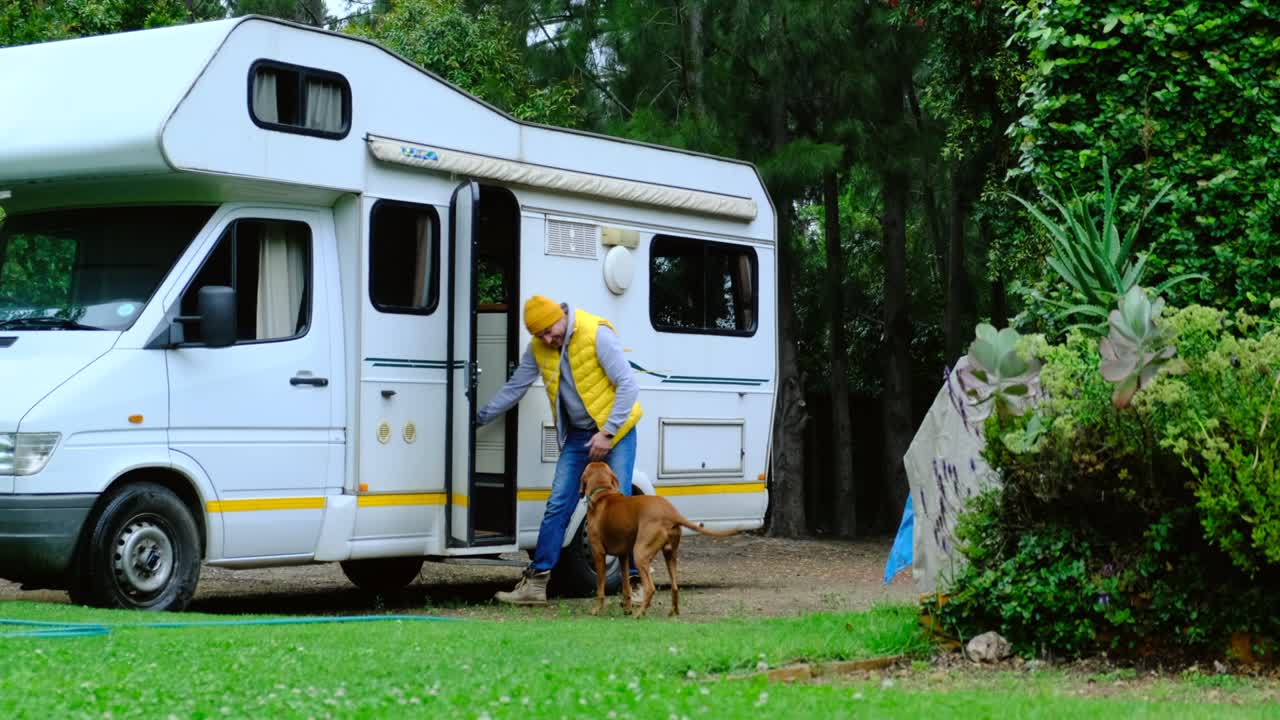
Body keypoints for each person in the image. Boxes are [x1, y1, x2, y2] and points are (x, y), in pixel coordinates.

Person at [477, 294, 642, 605]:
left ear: (560, 317)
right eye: (540, 335)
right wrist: (481, 416)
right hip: (578, 436)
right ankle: (536, 585)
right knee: (557, 506)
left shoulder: (597, 334)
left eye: (550, 331)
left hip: (616, 432)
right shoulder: (539, 348)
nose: (547, 339)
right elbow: (516, 387)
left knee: (621, 508)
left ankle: (634, 582)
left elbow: (628, 386)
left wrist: (607, 433)